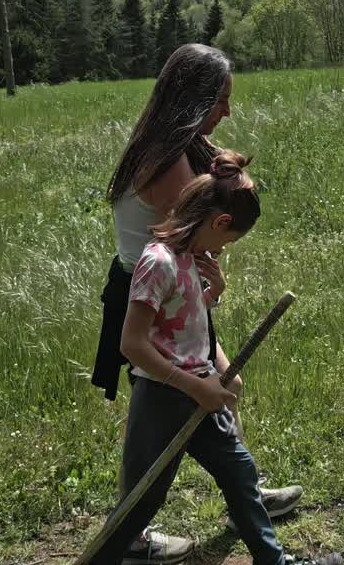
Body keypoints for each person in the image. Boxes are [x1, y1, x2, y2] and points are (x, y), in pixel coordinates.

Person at [93, 44, 302, 564]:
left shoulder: (187, 144)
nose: (227, 111)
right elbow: (203, 226)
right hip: (155, 300)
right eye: (221, 99)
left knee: (213, 391)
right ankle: (132, 534)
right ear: (194, 98)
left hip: (177, 295)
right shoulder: (166, 163)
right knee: (159, 421)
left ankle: (242, 491)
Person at [92, 151, 342, 565]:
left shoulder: (192, 260)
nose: (224, 249)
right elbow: (133, 344)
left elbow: (184, 322)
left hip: (201, 391)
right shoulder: (158, 263)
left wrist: (215, 300)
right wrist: (195, 386)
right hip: (162, 399)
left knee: (240, 475)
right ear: (220, 222)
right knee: (141, 501)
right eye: (229, 240)